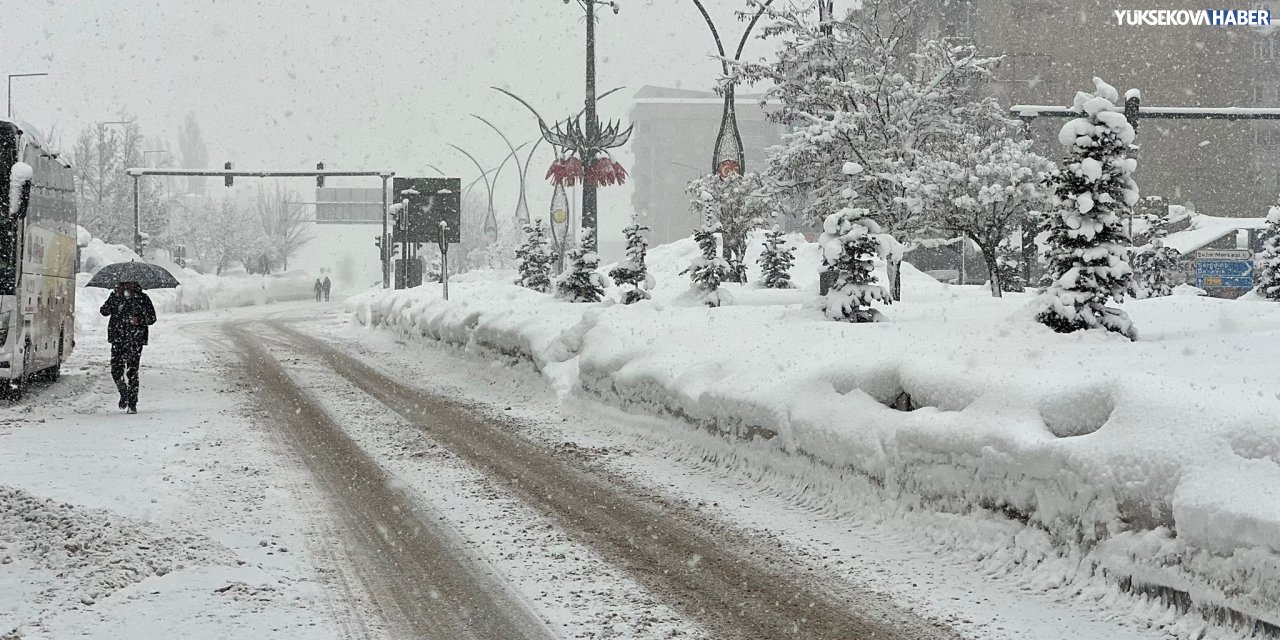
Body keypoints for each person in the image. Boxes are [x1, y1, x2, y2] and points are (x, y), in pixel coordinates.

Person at [99, 281, 156, 414]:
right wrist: (114, 302)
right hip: (118, 339)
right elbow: (104, 311)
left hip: (135, 339)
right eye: (123, 284)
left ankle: (132, 402)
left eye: (129, 284)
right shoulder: (115, 296)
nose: (125, 287)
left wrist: (140, 320)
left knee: (132, 371)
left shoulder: (142, 298)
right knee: (116, 370)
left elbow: (152, 318)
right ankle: (123, 392)